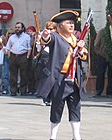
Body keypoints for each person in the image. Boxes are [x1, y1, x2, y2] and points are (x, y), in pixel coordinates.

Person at [37, 10, 88, 140]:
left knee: (75, 107)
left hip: (74, 79)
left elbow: (84, 57)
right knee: (57, 107)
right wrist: (45, 36)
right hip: (59, 78)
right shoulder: (56, 37)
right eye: (68, 23)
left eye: (72, 23)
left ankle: (76, 136)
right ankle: (53, 136)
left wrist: (81, 50)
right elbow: (47, 40)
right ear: (59, 26)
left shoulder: (77, 39)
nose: (71, 25)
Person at [6, 22, 31, 96]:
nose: (17, 29)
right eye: (16, 27)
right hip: (13, 56)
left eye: (19, 27)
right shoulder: (12, 37)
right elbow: (8, 48)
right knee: (13, 75)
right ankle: (13, 91)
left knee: (24, 75)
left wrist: (27, 57)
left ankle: (23, 91)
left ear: (22, 28)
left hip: (23, 56)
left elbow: (29, 48)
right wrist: (10, 56)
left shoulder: (26, 37)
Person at [94, 29, 112, 96]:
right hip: (102, 55)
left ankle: (106, 90)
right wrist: (99, 52)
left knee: (111, 73)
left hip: (110, 55)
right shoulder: (102, 32)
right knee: (101, 73)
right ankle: (101, 90)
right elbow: (96, 44)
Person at [1, 28, 15, 94]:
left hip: (14, 57)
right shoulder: (5, 40)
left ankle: (13, 89)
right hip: (6, 57)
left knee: (13, 74)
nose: (10, 35)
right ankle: (6, 89)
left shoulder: (16, 40)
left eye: (12, 33)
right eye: (9, 33)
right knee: (6, 74)